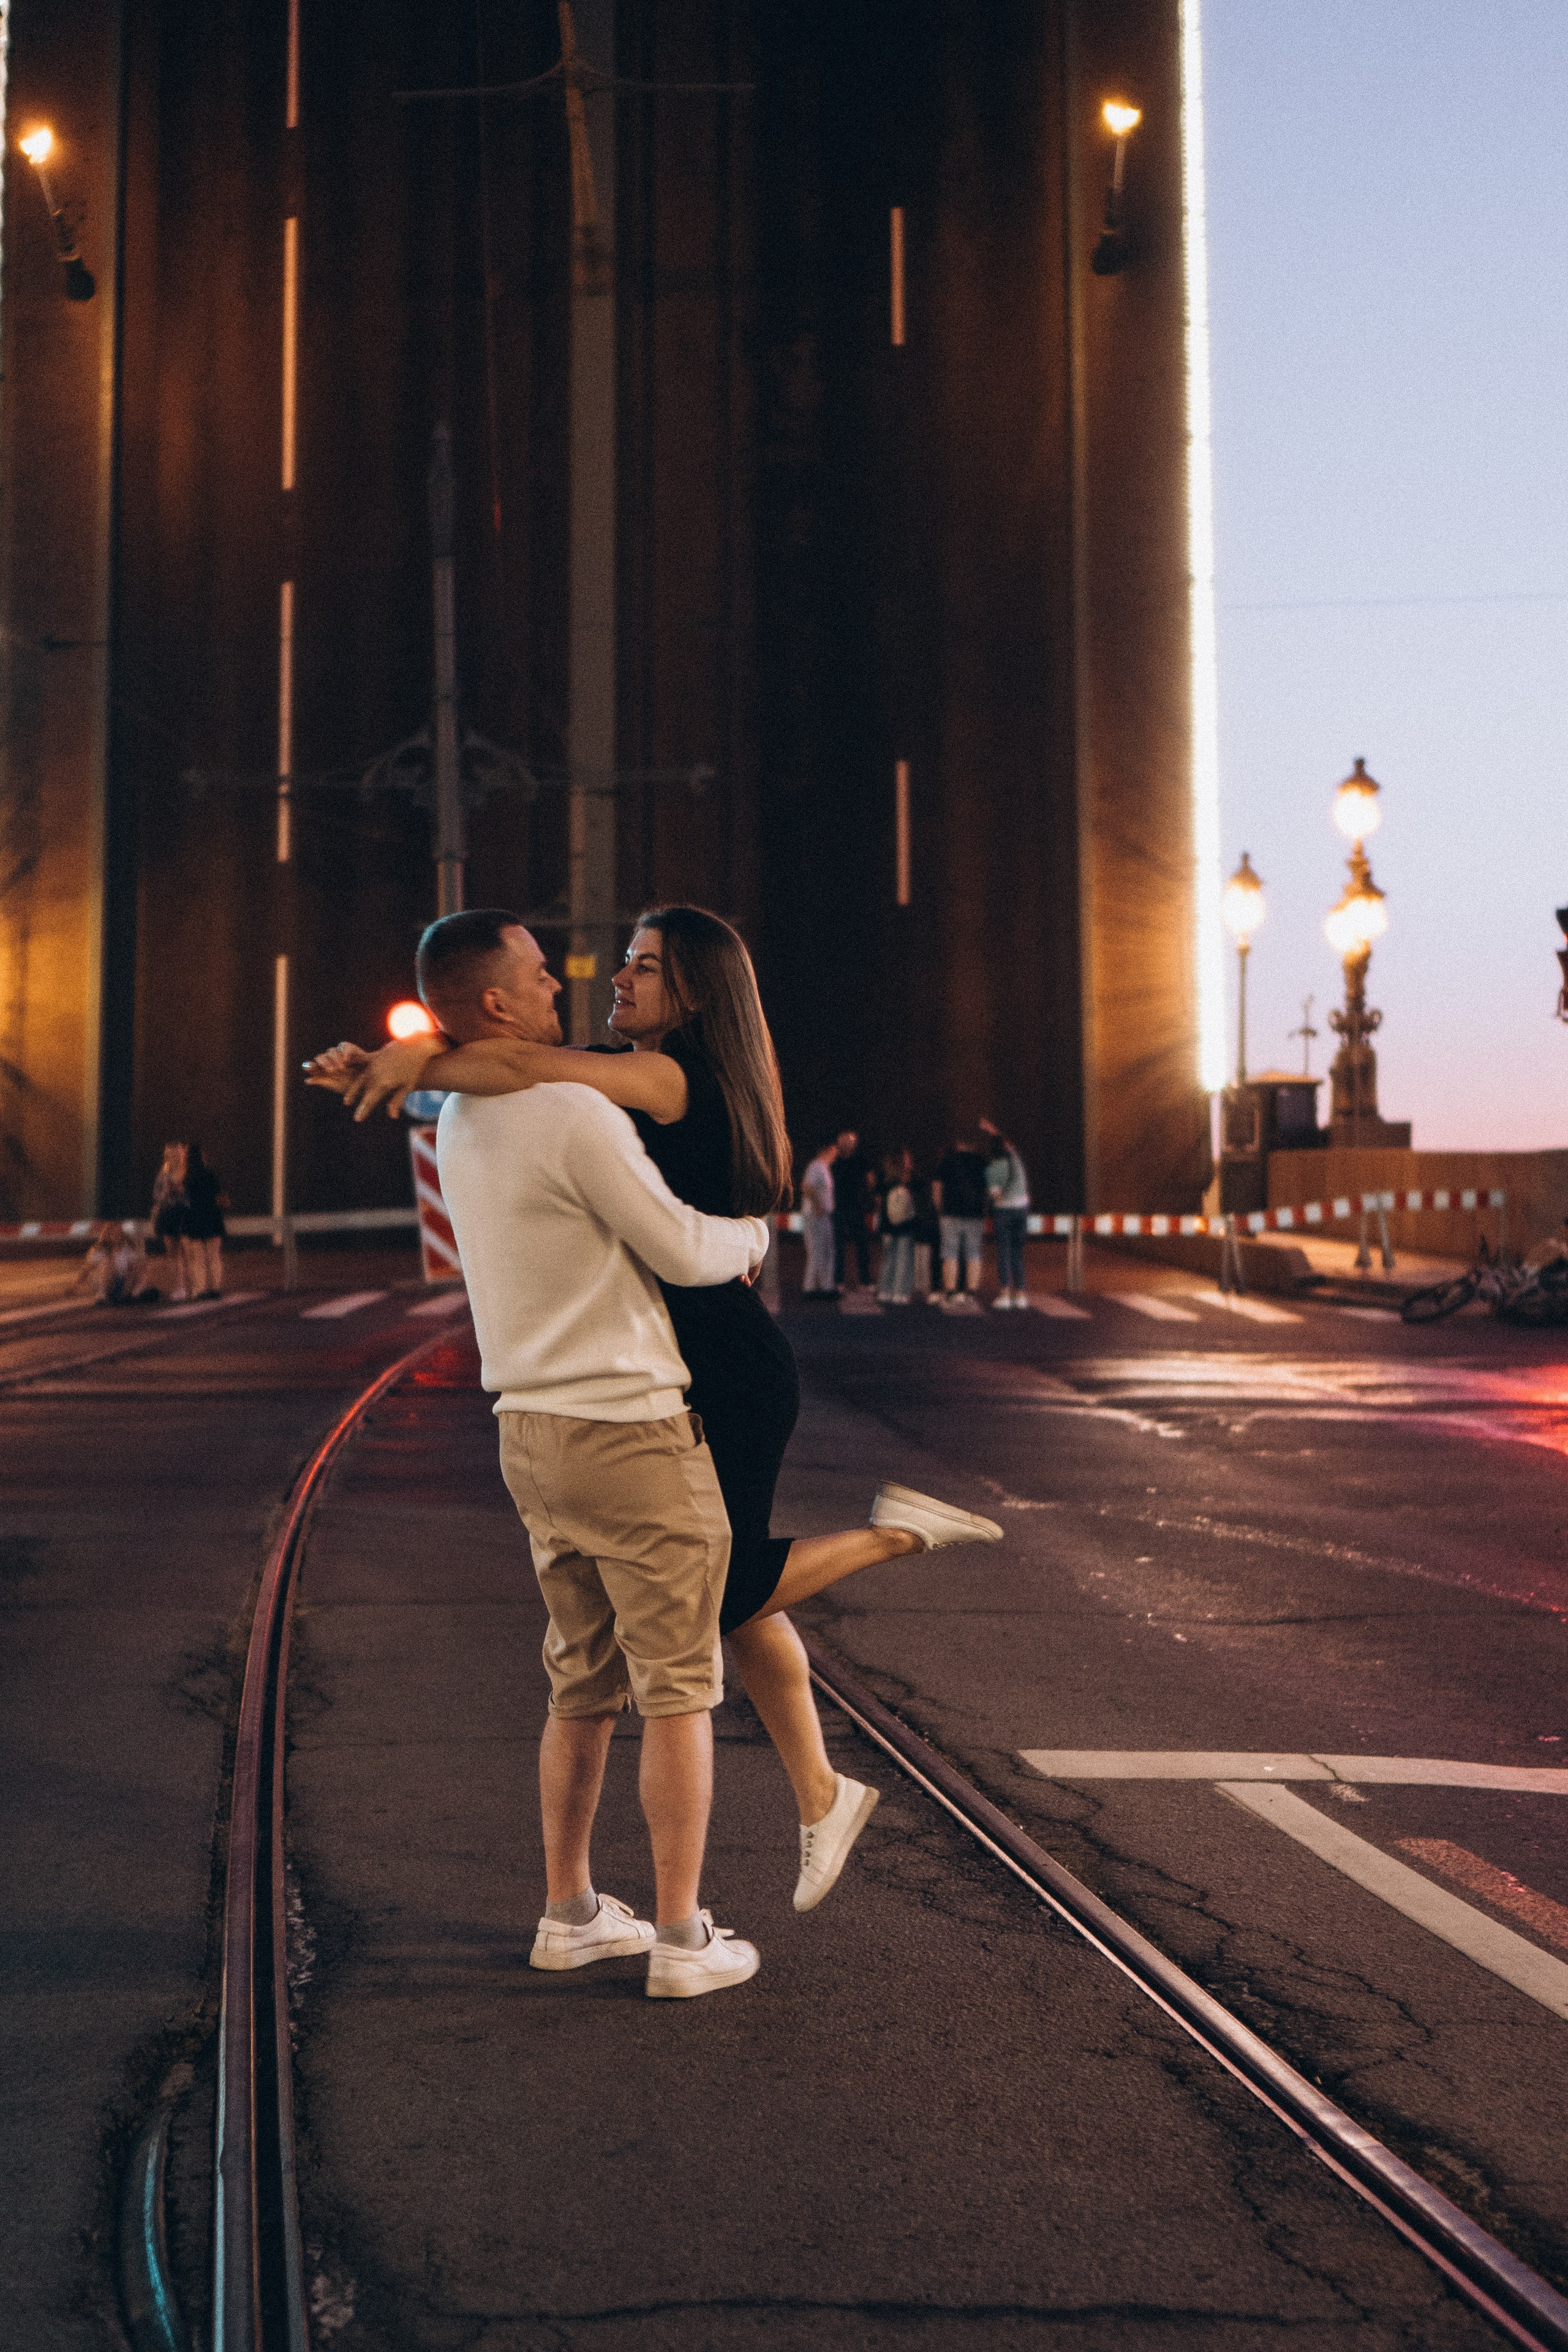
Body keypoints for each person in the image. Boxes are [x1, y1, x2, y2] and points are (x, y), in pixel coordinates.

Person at [312, 904, 1005, 1920]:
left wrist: (409, 1061)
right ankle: (822, 1795)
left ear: (692, 994)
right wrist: (408, 1059)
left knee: (718, 1595)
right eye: (621, 962)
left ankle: (897, 1535)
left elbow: (514, 1070)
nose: (612, 979)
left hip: (724, 1361)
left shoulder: (671, 1077)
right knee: (723, 1590)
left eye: (642, 967)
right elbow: (511, 1066)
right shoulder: (604, 1067)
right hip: (683, 1352)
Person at [322, 910, 775, 1997]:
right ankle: (679, 1937)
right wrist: (757, 1235)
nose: (562, 990)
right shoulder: (571, 1111)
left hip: (527, 1429)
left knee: (581, 1682)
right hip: (628, 1427)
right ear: (494, 1005)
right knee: (678, 1690)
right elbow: (677, 1243)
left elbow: (463, 1075)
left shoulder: (460, 1126)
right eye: (538, 976)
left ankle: (569, 1909)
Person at [932, 1128, 991, 1308]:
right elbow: (988, 1190)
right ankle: (970, 1293)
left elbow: (937, 1189)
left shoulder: (947, 1160)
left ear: (958, 1144)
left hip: (950, 1213)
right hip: (975, 1214)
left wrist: (940, 1210)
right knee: (974, 1254)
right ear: (974, 1145)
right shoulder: (983, 1162)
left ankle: (951, 1293)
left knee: (950, 1254)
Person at [981, 1118, 1031, 1310]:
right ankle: (1021, 1295)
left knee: (1003, 1252)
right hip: (1021, 1210)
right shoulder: (1016, 1162)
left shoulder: (990, 1170)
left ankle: (1004, 1293)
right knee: (1017, 1253)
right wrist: (995, 1131)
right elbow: (1009, 1145)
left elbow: (994, 1195)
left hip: (1003, 1212)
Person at [181, 1143, 228, 1299]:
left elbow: (184, 1199)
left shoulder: (186, 1178)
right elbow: (219, 1196)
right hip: (212, 1217)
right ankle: (215, 1288)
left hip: (194, 1218)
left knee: (198, 1258)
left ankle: (201, 1289)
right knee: (214, 1256)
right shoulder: (210, 1175)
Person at [832, 1128, 875, 1291]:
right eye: (846, 1142)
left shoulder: (860, 1160)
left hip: (857, 1207)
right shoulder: (835, 1160)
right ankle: (839, 1280)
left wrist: (868, 1194)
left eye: (852, 1142)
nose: (850, 1145)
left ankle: (865, 1279)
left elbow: (871, 1179)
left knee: (862, 1245)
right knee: (838, 1247)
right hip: (839, 1208)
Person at [875, 1148, 918, 1305]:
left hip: (887, 1226)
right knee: (904, 1260)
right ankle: (900, 1292)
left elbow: (879, 1203)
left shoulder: (885, 1181)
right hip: (905, 1226)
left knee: (888, 1259)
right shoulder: (907, 1181)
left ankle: (885, 1290)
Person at [151, 1143, 189, 1300]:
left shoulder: (188, 1171)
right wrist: (166, 1194)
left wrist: (181, 1190)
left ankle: (193, 1286)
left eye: (177, 1155)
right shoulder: (164, 1172)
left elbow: (195, 1194)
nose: (173, 1158)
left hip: (185, 1215)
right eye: (170, 1155)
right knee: (172, 1254)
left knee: (187, 1252)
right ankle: (179, 1287)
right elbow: (156, 1194)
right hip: (168, 1214)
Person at [799, 1141, 838, 1297]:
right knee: (817, 1250)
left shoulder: (823, 1168)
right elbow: (807, 1187)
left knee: (825, 1250)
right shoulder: (816, 1167)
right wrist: (817, 1205)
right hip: (817, 1215)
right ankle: (813, 1287)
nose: (836, 1155)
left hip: (822, 1214)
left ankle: (823, 1285)